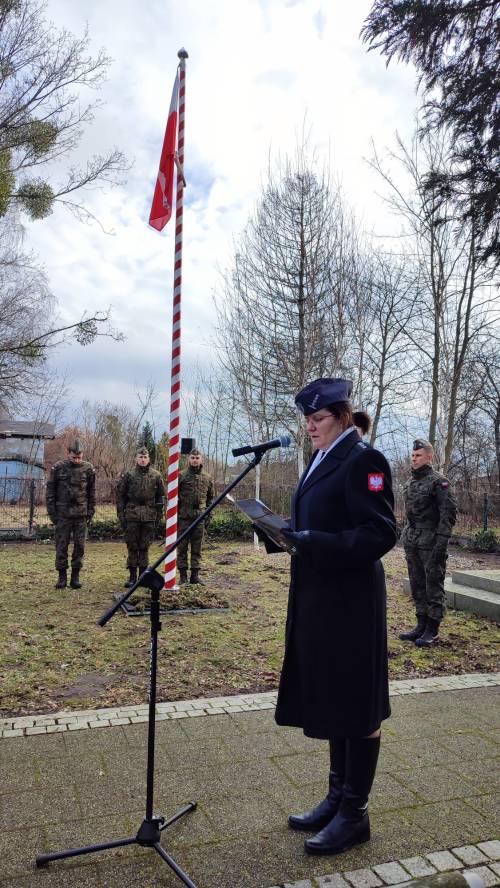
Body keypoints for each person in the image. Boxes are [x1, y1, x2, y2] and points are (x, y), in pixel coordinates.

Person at [275, 377, 397, 857]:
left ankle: (355, 814)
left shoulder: (364, 459)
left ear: (344, 416)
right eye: (306, 420)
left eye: (318, 419)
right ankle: (336, 797)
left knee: (357, 699)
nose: (310, 428)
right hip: (318, 595)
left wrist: (316, 542)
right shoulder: (321, 458)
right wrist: (284, 534)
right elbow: (318, 521)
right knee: (332, 694)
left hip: (351, 600)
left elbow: (380, 533)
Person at [399, 438, 457, 647]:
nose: (414, 459)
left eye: (418, 456)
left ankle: (432, 629)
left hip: (431, 542)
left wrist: (441, 545)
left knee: (433, 584)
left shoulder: (439, 482)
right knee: (417, 584)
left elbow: (447, 515)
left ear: (429, 457)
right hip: (412, 540)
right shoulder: (411, 481)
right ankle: (421, 625)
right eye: (413, 456)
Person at [46, 438, 95, 589]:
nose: (77, 460)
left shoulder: (88, 468)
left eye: (79, 457)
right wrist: (53, 514)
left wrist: (90, 512)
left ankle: (75, 576)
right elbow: (50, 492)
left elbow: (91, 493)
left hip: (81, 514)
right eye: (74, 457)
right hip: (63, 514)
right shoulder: (58, 468)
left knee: (80, 546)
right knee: (61, 546)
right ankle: (62, 577)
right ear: (68, 454)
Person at [116, 446, 165, 587]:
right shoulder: (129, 475)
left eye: (145, 457)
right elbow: (121, 497)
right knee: (132, 546)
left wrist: (158, 515)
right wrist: (121, 515)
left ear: (149, 459)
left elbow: (161, 497)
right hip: (132, 515)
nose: (143, 460)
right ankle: (132, 577)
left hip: (149, 515)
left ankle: (143, 577)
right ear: (136, 458)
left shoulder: (156, 475)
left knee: (144, 546)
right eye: (140, 457)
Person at [177, 449, 214, 585]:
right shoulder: (181, 475)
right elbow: (175, 498)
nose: (194, 460)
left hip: (199, 518)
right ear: (189, 459)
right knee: (182, 548)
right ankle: (182, 577)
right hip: (184, 518)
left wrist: (208, 516)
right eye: (192, 457)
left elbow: (211, 499)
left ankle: (195, 576)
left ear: (201, 459)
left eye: (197, 458)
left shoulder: (207, 478)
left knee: (197, 548)